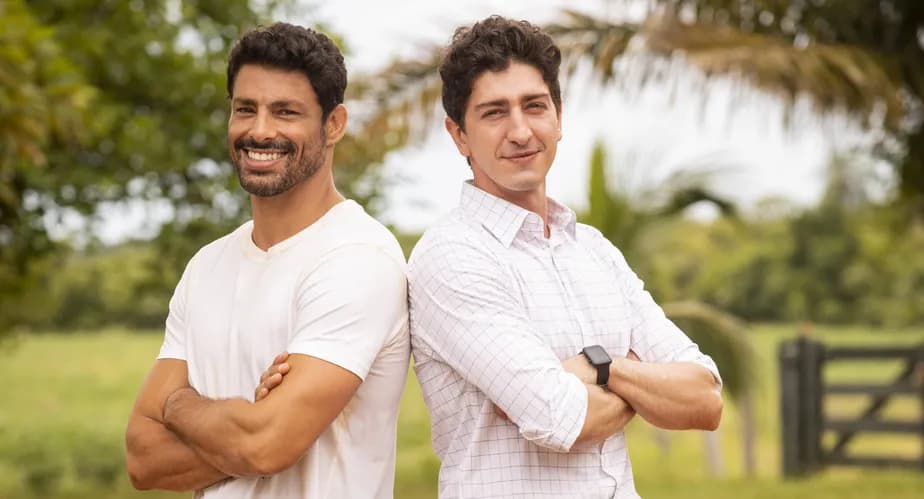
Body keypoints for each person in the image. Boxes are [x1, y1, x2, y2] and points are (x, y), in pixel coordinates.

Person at [406, 16, 723, 498]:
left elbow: (704, 398)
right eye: (494, 113)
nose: (520, 131)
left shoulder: (593, 249)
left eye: (534, 106)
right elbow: (560, 419)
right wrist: (643, 383)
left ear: (558, 116)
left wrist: (603, 368)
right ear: (459, 136)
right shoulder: (452, 256)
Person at [124, 22, 409, 499]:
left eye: (286, 112)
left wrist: (178, 406)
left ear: (333, 124)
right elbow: (143, 460)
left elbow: (265, 446)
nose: (260, 131)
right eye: (245, 109)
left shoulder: (358, 258)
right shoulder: (206, 267)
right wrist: (245, 422)